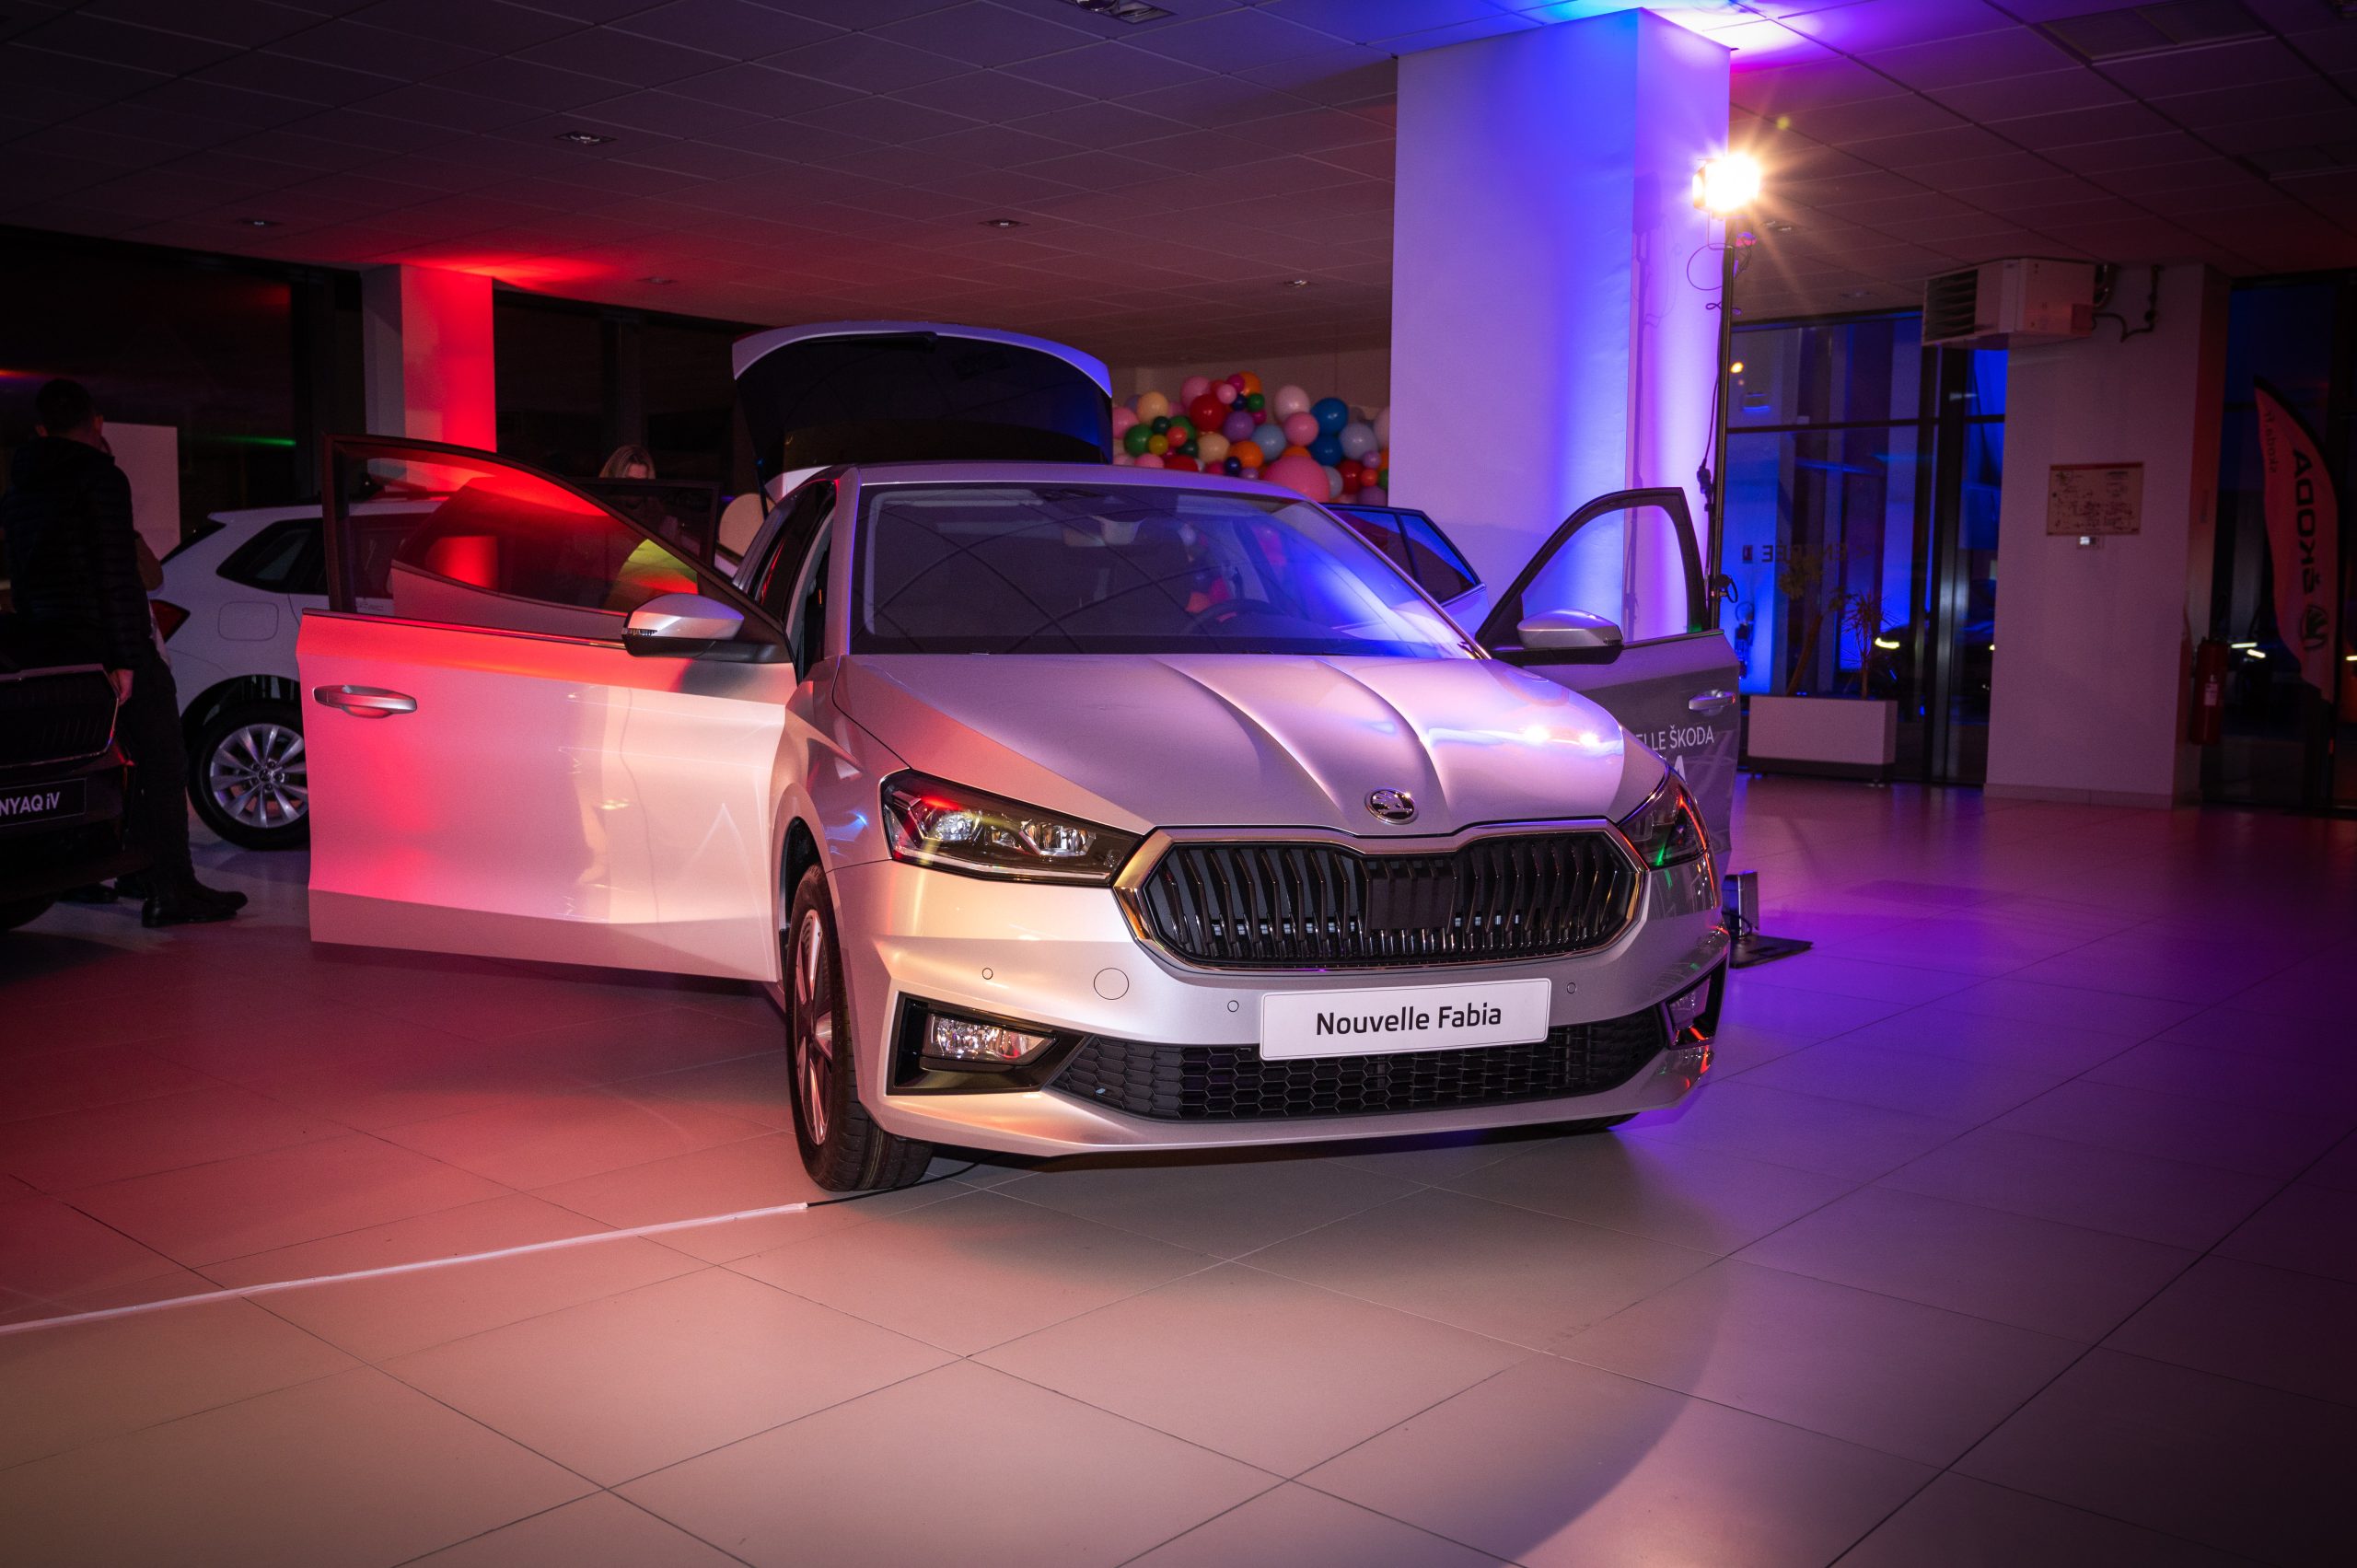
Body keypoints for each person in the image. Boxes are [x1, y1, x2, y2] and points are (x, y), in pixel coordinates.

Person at [0, 379, 246, 926]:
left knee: (90, 764)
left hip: (53, 649)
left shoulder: (19, 491)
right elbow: (116, 573)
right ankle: (171, 889)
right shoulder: (100, 478)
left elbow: (24, 578)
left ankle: (126, 873)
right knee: (162, 760)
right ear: (97, 423)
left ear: (41, 429)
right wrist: (127, 658)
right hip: (108, 645)